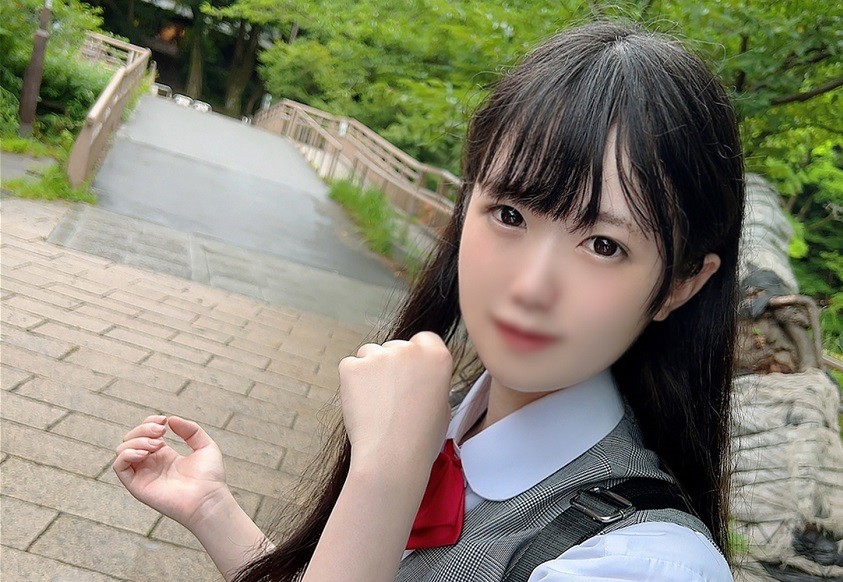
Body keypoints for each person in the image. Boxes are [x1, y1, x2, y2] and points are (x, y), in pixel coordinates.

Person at [114, 21, 744, 582]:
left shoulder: (643, 563)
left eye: (604, 245)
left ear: (681, 284)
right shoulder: (438, 414)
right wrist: (213, 509)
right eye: (509, 213)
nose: (530, 286)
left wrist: (383, 479)